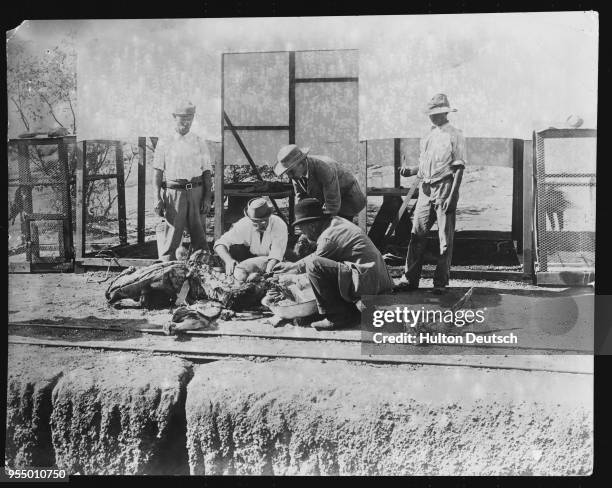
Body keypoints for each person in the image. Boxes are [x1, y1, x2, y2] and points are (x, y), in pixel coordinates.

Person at [273, 198, 394, 331]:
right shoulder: (336, 223)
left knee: (315, 266)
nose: (303, 234)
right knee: (317, 264)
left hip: (368, 283)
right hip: (374, 278)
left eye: (302, 230)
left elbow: (313, 262)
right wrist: (291, 266)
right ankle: (348, 310)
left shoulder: (328, 237)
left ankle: (338, 317)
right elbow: (316, 257)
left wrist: (290, 273)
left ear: (312, 226)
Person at [398, 93, 466, 293]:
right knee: (416, 234)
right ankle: (409, 279)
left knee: (445, 239)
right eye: (431, 113)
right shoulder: (428, 135)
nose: (433, 117)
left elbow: (459, 168)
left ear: (445, 112)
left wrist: (453, 196)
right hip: (426, 189)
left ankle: (440, 282)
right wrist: (410, 171)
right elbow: (423, 166)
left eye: (437, 113)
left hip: (445, 188)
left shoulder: (456, 135)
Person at [152, 101, 213, 261]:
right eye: (182, 119)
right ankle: (166, 272)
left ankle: (201, 269)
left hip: (196, 191)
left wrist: (207, 197)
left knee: (199, 234)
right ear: (174, 117)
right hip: (174, 193)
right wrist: (157, 197)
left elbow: (207, 172)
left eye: (190, 119)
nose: (186, 123)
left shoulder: (199, 141)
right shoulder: (165, 141)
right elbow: (157, 172)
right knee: (172, 234)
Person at [274, 144, 366, 222]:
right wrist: (303, 218)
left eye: (291, 172)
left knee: (338, 231)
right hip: (329, 199)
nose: (289, 176)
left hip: (348, 199)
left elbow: (332, 204)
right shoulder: (296, 173)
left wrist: (322, 224)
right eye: (287, 173)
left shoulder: (325, 167)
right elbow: (301, 197)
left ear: (301, 164)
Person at [214, 198, 288, 276]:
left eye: (264, 221)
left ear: (269, 216)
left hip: (274, 260)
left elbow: (276, 256)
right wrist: (228, 260)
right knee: (235, 253)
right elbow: (220, 244)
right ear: (250, 219)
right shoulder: (244, 224)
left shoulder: (279, 224)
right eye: (256, 222)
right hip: (248, 257)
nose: (260, 225)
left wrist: (267, 273)